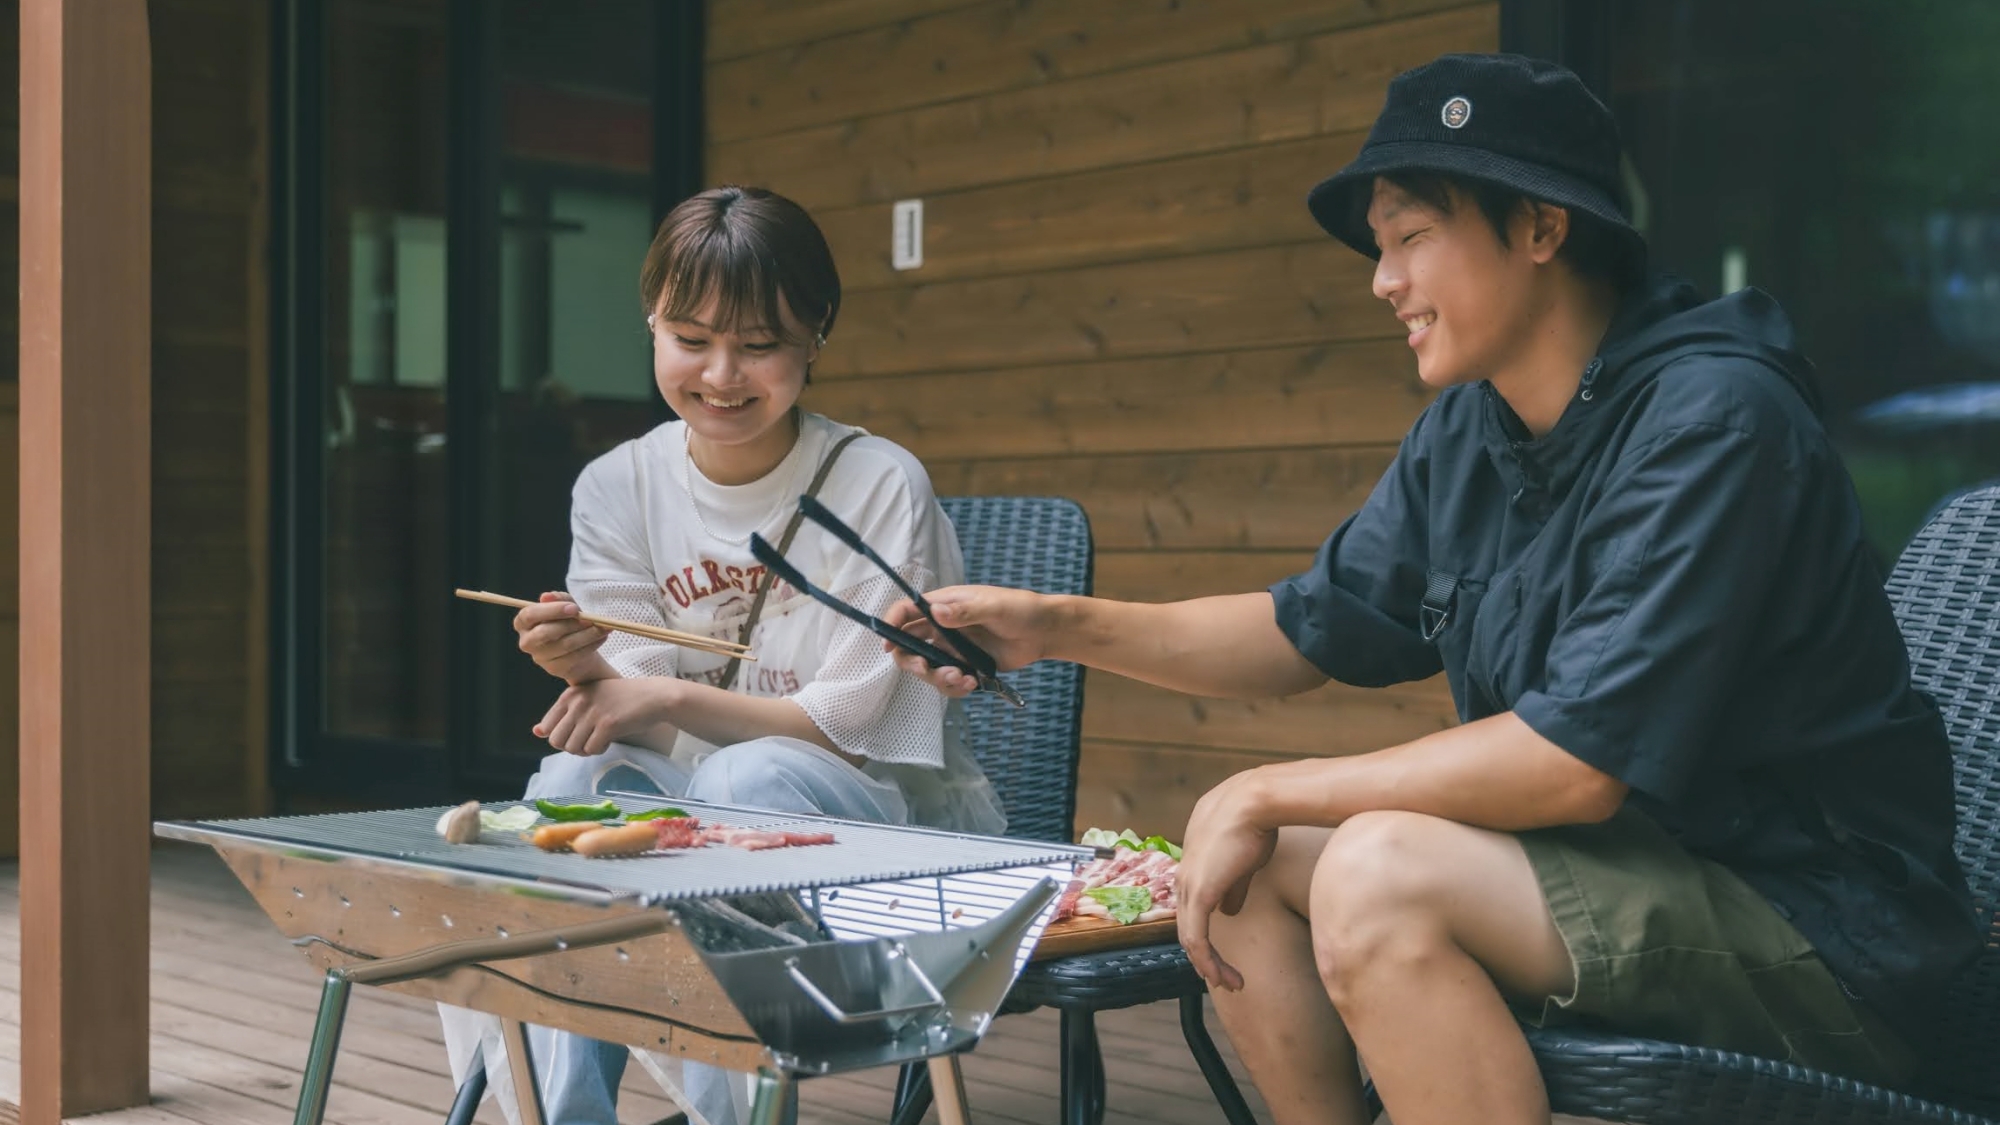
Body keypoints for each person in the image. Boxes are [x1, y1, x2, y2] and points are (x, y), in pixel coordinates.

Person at [885, 53, 1980, 1125]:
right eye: (1379, 248)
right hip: (1621, 878)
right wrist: (1058, 626)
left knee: (1374, 869)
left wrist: (1274, 787)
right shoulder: (1473, 429)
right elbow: (1298, 628)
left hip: (1821, 938)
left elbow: (1572, 766)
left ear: (1541, 228)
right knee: (1248, 872)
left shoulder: (1713, 423)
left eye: (1411, 238)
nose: (1382, 281)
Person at [439, 184, 1004, 1125]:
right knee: (575, 773)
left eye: (759, 343)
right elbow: (624, 692)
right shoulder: (617, 483)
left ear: (815, 336)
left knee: (744, 783)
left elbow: (846, 733)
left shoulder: (880, 483)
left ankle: (730, 1120)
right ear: (652, 323)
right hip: (686, 823)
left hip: (876, 828)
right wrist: (580, 665)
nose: (721, 373)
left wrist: (650, 700)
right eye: (691, 337)